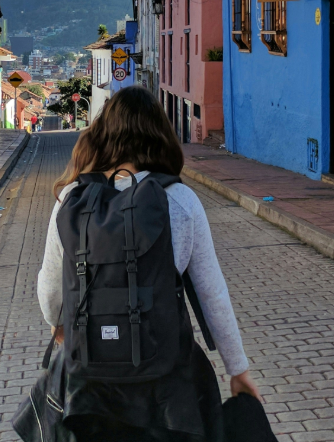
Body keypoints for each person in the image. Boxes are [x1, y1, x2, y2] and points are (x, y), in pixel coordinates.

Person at [36, 85, 259, 441]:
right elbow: (212, 295)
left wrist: (56, 324)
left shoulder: (71, 199)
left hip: (89, 386)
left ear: (104, 134)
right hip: (167, 388)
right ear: (160, 134)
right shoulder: (180, 200)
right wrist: (238, 369)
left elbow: (49, 290)